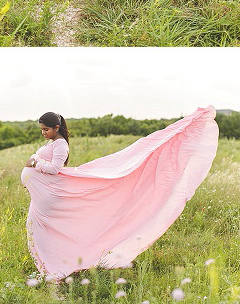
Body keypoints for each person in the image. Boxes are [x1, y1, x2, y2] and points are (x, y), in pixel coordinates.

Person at [22, 107, 218, 281]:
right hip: (42, 196)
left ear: (56, 128)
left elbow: (55, 169)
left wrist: (35, 163)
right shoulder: (52, 143)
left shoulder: (60, 145)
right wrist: (33, 180)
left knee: (44, 230)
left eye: (46, 129)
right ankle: (47, 267)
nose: (43, 133)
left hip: (49, 199)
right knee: (38, 229)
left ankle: (54, 267)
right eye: (41, 129)